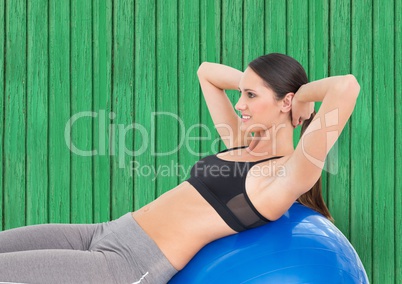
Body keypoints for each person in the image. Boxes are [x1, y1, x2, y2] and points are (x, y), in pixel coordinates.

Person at [0, 53, 360, 283]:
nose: (239, 104)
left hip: (122, 267)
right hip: (103, 232)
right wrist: (254, 85)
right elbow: (206, 73)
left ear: (286, 102)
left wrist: (303, 98)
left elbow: (347, 86)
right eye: (242, 93)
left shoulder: (286, 176)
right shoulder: (240, 141)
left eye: (251, 96)